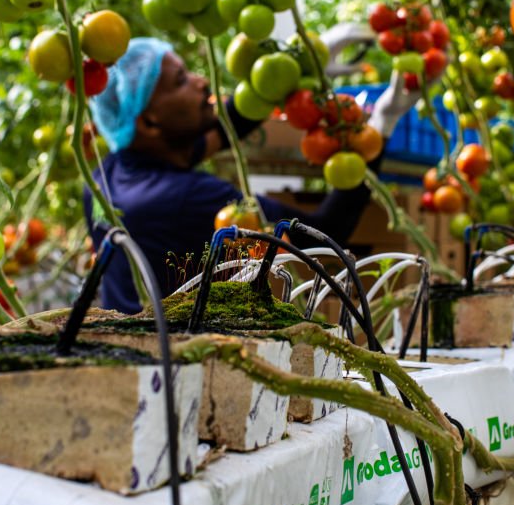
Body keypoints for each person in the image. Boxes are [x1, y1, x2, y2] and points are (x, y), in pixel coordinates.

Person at [84, 35, 419, 314]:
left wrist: (292, 75)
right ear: (149, 122)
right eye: (182, 81)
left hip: (124, 351)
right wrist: (380, 126)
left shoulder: (100, 181)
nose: (202, 82)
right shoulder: (195, 199)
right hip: (176, 366)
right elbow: (327, 231)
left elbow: (221, 132)